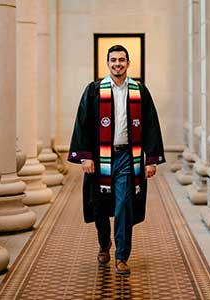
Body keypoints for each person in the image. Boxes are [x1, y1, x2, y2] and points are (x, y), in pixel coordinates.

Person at [68, 45, 165, 275]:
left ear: (128, 63)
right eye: (113, 60)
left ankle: (122, 256)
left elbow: (151, 124)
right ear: (108, 63)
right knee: (100, 206)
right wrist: (84, 157)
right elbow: (82, 123)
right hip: (100, 157)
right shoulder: (94, 90)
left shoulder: (139, 91)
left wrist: (150, 160)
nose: (117, 64)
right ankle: (104, 243)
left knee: (124, 205)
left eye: (122, 60)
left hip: (126, 157)